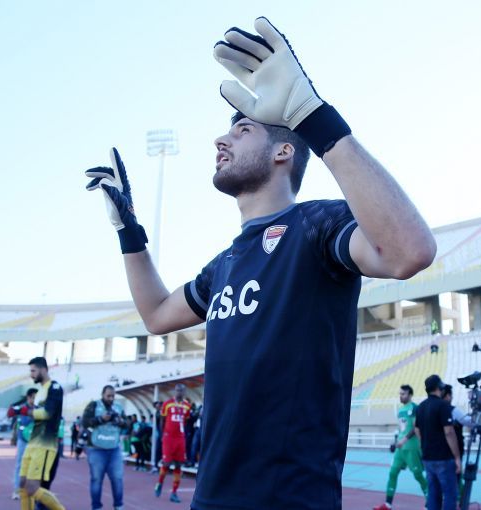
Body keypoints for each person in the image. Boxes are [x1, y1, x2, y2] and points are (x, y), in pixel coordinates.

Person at [83, 16, 435, 509]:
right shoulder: (226, 262)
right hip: (212, 497)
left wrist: (312, 115)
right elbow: (157, 315)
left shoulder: (317, 226)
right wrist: (129, 232)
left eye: (242, 130)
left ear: (283, 151)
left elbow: (409, 253)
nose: (220, 140)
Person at [18, 357, 65, 510]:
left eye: (33, 371)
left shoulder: (55, 387)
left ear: (43, 369)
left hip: (45, 445)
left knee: (33, 488)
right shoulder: (39, 392)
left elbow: (47, 413)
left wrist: (27, 411)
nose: (31, 374)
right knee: (22, 484)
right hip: (33, 442)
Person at [374, 385, 427, 510]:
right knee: (392, 473)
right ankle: (388, 504)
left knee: (418, 475)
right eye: (400, 394)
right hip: (400, 449)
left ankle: (430, 503)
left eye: (403, 394)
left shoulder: (414, 408)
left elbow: (416, 427)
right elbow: (401, 429)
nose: (401, 396)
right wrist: (396, 442)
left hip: (412, 448)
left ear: (410, 395)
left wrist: (404, 440)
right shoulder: (400, 410)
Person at [415, 375, 461, 510]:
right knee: (450, 494)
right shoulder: (443, 405)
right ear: (439, 387)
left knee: (433, 494)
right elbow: (449, 432)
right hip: (443, 457)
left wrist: (424, 445)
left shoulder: (420, 407)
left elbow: (416, 429)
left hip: (427, 457)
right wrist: (457, 457)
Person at [82, 384, 126, 510]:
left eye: (113, 396)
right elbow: (85, 422)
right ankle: (96, 507)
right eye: (108, 396)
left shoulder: (118, 407)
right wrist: (100, 419)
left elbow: (127, 423)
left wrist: (121, 421)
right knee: (96, 479)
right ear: (102, 395)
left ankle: (119, 506)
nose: (111, 398)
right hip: (96, 449)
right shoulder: (94, 405)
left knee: (117, 478)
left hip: (114, 449)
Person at [154, 384, 191, 503]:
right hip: (168, 437)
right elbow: (162, 419)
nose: (179, 392)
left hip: (180, 438)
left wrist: (183, 434)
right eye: (177, 390)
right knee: (166, 463)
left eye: (182, 391)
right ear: (175, 391)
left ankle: (174, 493)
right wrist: (162, 435)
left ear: (184, 392)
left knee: (179, 464)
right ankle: (160, 483)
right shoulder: (167, 404)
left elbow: (186, 421)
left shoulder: (187, 406)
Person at [8, 388, 38, 500]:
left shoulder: (39, 408)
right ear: (28, 397)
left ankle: (32, 490)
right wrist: (32, 414)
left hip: (35, 441)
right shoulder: (22, 408)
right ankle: (17, 490)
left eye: (36, 398)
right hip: (23, 440)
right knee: (20, 465)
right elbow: (24, 421)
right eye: (33, 398)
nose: (34, 400)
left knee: (35, 466)